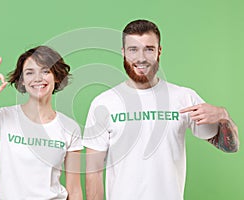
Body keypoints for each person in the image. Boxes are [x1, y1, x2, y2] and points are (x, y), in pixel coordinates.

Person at [83, 19, 239, 200]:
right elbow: (93, 172)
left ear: (159, 51)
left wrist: (223, 116)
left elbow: (230, 147)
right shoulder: (104, 102)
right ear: (123, 52)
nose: (141, 58)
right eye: (133, 49)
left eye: (149, 49)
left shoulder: (183, 97)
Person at [0, 46, 83, 200]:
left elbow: (74, 190)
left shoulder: (69, 127)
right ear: (22, 81)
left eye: (45, 71)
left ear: (56, 76)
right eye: (29, 72)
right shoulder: (4, 116)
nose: (37, 78)